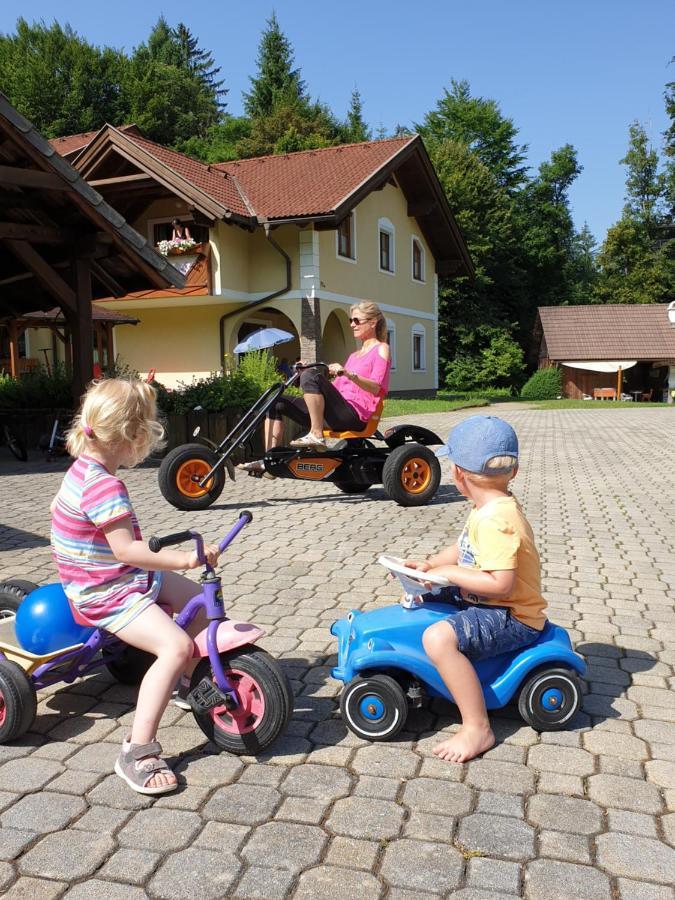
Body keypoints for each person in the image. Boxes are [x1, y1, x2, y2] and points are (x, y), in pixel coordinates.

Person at [50, 378, 219, 795]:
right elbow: (126, 550)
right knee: (175, 644)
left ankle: (188, 679)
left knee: (198, 598)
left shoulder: (85, 468)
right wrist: (183, 558)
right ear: (133, 436)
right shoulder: (103, 484)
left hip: (116, 575)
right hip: (103, 591)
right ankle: (137, 750)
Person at [404, 415, 547, 764]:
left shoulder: (498, 520)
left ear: (457, 474)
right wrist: (433, 565)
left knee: (438, 638)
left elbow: (500, 584)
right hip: (491, 598)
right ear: (513, 471)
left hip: (511, 613)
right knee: (425, 594)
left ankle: (477, 727)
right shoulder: (488, 507)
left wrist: (451, 573)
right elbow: (465, 548)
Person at [266, 301, 391, 452]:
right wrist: (303, 374)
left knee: (311, 375)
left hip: (354, 416)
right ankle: (269, 460)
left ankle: (316, 434)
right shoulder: (354, 356)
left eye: (356, 320)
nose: (352, 324)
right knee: (276, 402)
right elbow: (335, 389)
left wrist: (348, 374)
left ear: (372, 323)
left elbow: (377, 388)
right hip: (335, 412)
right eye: (350, 320)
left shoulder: (381, 349)